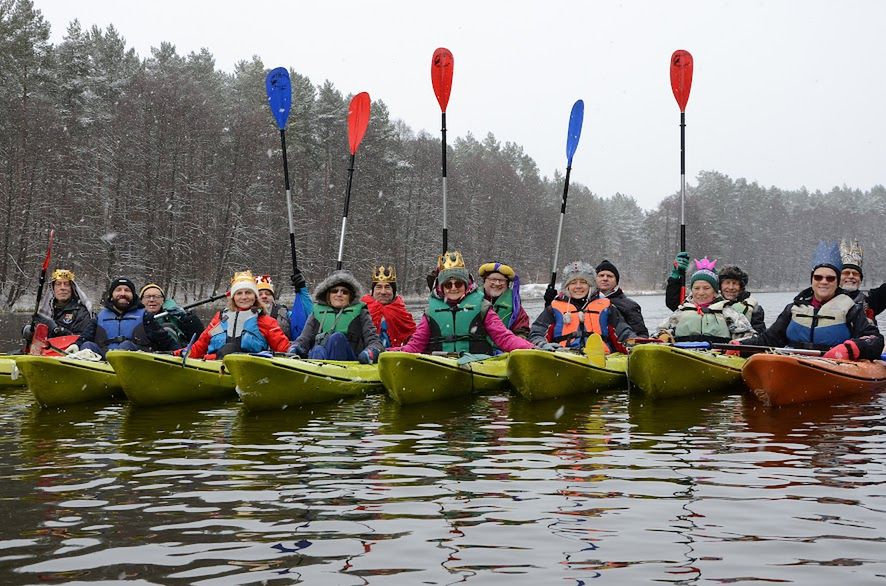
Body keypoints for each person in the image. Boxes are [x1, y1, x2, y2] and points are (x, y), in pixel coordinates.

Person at [730, 242, 883, 360]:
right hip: (797, 363)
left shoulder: (852, 309)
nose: (824, 282)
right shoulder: (793, 308)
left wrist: (851, 348)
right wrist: (741, 346)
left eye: (830, 278)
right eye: (818, 277)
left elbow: (875, 341)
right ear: (812, 281)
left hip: (835, 365)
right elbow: (769, 339)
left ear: (837, 283)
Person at [394, 251, 536, 355]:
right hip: (440, 362)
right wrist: (387, 352)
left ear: (466, 285)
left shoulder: (482, 307)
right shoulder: (430, 312)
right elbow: (415, 346)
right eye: (448, 285)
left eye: (459, 284)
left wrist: (531, 348)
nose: (454, 288)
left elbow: (503, 337)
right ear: (441, 288)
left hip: (476, 362)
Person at [529, 261, 636, 353]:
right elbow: (537, 333)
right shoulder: (553, 308)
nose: (578, 286)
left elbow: (623, 333)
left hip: (602, 357)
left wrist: (635, 343)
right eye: (573, 283)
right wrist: (542, 345)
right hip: (563, 355)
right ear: (567, 287)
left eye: (584, 282)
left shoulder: (606, 307)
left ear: (591, 286)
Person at [184, 271, 290, 359]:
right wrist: (177, 354)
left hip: (250, 366)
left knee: (231, 348)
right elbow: (199, 347)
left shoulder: (266, 321)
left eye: (248, 292)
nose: (244, 297)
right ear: (233, 297)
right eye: (239, 293)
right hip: (215, 365)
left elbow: (285, 350)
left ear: (255, 296)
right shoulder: (220, 318)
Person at [290, 269, 385, 363]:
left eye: (344, 292)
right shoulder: (316, 312)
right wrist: (295, 347)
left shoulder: (361, 312)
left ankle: (328, 372)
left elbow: (375, 342)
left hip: (349, 364)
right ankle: (318, 373)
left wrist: (371, 352)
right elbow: (303, 339)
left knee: (337, 338)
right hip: (319, 360)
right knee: (318, 349)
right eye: (335, 291)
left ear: (350, 296)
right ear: (328, 294)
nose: (339, 294)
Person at [655, 258, 754, 343]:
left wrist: (736, 344)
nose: (701, 293)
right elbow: (659, 332)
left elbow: (749, 336)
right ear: (692, 291)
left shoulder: (728, 312)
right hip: (685, 355)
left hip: (718, 356)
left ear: (715, 292)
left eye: (706, 288)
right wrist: (663, 335)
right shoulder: (681, 312)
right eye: (696, 288)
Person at [665, 253, 765, 333]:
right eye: (727, 283)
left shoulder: (747, 309)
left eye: (734, 283)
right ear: (719, 286)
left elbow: (757, 335)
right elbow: (673, 303)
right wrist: (676, 277)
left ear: (741, 287)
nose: (730, 287)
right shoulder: (693, 304)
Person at [81, 277, 177, 357]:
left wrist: (179, 352)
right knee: (87, 345)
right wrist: (76, 345)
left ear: (133, 296)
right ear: (111, 295)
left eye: (127, 290)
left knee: (126, 345)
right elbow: (84, 338)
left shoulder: (145, 316)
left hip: (135, 362)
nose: (123, 293)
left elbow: (165, 342)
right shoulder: (99, 317)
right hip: (103, 361)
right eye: (118, 290)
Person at [23, 268, 95, 351]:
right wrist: (29, 331)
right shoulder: (47, 311)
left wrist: (57, 330)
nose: (62, 288)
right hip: (44, 353)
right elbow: (39, 338)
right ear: (53, 288)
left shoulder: (82, 312)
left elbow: (82, 339)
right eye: (58, 284)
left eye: (66, 284)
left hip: (67, 355)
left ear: (72, 288)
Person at [359, 265, 416, 348]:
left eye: (387, 287)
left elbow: (415, 341)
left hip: (395, 356)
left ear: (393, 291)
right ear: (372, 291)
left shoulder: (403, 314)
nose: (383, 292)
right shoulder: (360, 310)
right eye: (379, 287)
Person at [593, 259, 649, 337]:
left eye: (609, 276)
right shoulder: (586, 303)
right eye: (601, 275)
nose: (605, 279)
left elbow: (642, 335)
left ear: (616, 281)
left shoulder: (630, 305)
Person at [139, 283, 204, 349]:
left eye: (157, 297)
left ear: (163, 300)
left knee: (167, 328)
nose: (152, 300)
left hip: (173, 354)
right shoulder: (134, 317)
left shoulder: (175, 316)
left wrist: (186, 318)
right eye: (147, 297)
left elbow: (201, 338)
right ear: (141, 301)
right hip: (143, 351)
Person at [478, 261, 530, 338]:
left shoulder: (515, 305)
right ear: (485, 280)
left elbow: (522, 329)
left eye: (502, 280)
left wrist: (518, 340)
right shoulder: (472, 299)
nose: (497, 283)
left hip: (504, 347)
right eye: (493, 279)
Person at [839, 239, 884, 323]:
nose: (851, 276)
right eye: (846, 273)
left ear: (860, 280)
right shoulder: (826, 299)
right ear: (837, 278)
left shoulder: (869, 302)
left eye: (855, 274)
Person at [288, 267, 314, 340]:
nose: (264, 296)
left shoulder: (284, 314)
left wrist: (302, 289)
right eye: (260, 294)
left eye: (267, 294)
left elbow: (310, 315)